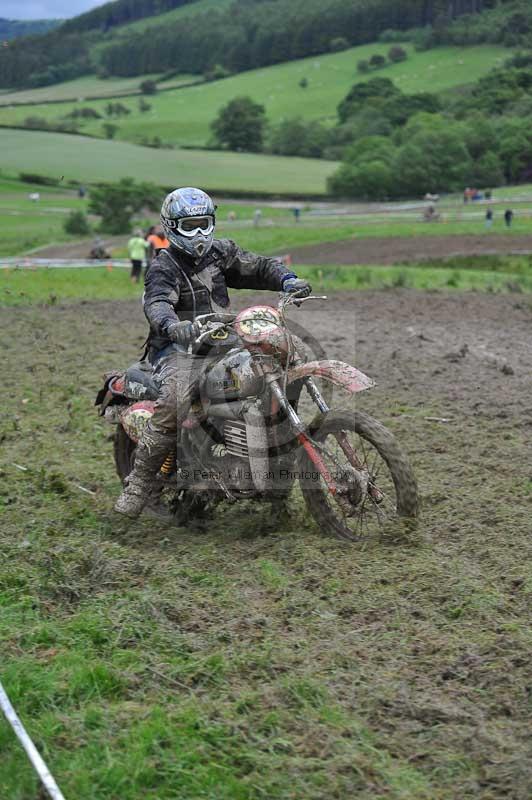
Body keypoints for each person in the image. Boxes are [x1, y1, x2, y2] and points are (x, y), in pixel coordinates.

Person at [114, 187, 312, 517]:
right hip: (179, 350)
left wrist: (287, 280)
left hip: (224, 341)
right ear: (171, 226)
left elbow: (259, 266)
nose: (198, 232)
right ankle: (138, 484)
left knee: (293, 353)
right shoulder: (164, 267)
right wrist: (173, 324)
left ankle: (275, 449)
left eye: (203, 222)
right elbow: (158, 302)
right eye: (189, 225)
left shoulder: (221, 253)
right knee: (176, 398)